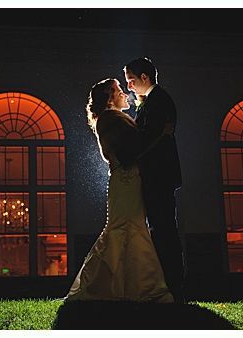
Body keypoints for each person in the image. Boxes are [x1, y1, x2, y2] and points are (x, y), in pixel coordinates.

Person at [64, 78, 172, 303]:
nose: (124, 93)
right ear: (110, 97)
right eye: (119, 90)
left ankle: (125, 287)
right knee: (123, 228)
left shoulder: (112, 118)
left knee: (128, 229)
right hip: (126, 181)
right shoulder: (110, 118)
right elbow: (132, 148)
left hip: (128, 181)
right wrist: (160, 134)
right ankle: (128, 287)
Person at [124, 57, 185, 303]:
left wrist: (125, 158)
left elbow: (147, 137)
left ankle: (172, 286)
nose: (128, 86)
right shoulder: (152, 101)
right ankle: (168, 285)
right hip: (157, 176)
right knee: (160, 229)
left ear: (145, 78)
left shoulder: (158, 101)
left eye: (131, 80)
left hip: (158, 176)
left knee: (163, 230)